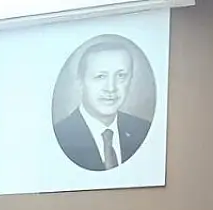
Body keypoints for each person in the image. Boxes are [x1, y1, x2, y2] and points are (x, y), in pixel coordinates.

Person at [54, 38, 153, 171]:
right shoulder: (61, 135)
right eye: (100, 76)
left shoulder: (143, 130)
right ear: (80, 82)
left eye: (121, 76)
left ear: (131, 80)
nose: (111, 88)